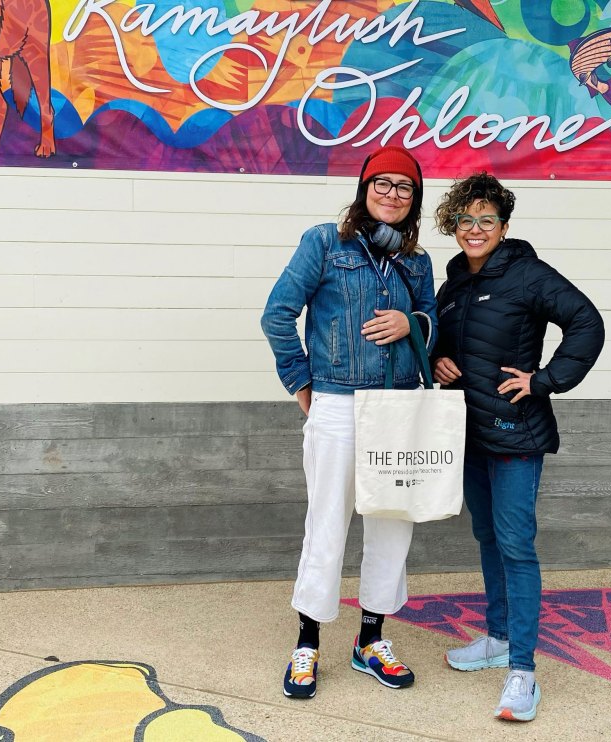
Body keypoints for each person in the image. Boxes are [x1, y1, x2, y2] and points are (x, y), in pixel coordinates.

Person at [261, 145, 437, 700]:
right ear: (364, 190)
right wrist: (301, 382)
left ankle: (370, 641)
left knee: (391, 524)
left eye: (404, 187)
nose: (391, 194)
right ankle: (308, 643)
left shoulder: (417, 261)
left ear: (414, 200)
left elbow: (434, 328)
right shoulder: (324, 243)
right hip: (338, 403)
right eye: (381, 184)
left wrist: (411, 323)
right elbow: (277, 314)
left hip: (400, 406)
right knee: (328, 523)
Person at [432, 172, 604, 722]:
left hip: (515, 434)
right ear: (453, 226)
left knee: (515, 544)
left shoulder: (527, 273)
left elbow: (586, 321)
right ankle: (500, 636)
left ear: (503, 226)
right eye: (465, 219)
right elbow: (445, 344)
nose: (475, 228)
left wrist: (545, 380)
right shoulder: (454, 283)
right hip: (469, 433)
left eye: (486, 219)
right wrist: (437, 358)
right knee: (486, 536)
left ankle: (523, 672)